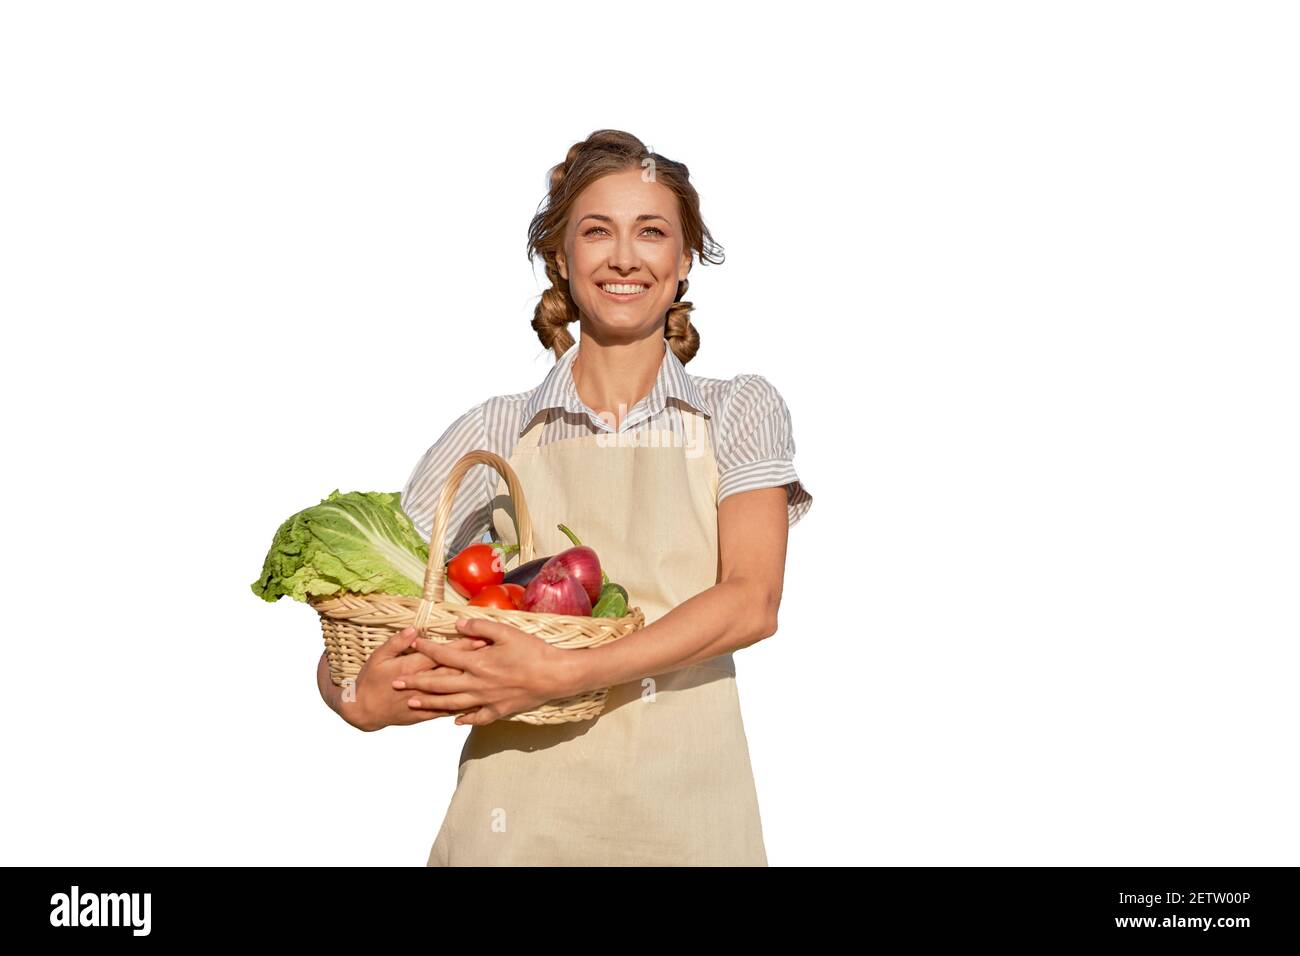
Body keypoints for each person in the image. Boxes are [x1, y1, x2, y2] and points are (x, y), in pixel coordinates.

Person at [319, 129, 812, 866]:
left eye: (651, 233)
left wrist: (569, 672)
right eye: (595, 232)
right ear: (561, 257)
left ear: (682, 264)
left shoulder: (736, 412)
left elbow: (751, 601)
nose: (624, 257)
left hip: (688, 826)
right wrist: (357, 696)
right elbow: (368, 607)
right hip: (514, 830)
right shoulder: (495, 433)